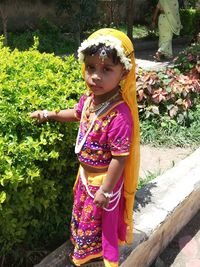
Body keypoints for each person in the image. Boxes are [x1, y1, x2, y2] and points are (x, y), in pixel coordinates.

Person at [30, 28, 140, 267]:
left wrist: (106, 191)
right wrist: (49, 114)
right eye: (90, 68)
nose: (95, 77)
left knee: (98, 226)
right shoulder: (90, 99)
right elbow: (77, 114)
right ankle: (86, 253)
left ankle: (95, 259)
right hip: (85, 179)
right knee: (83, 222)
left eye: (106, 69)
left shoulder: (119, 115)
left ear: (123, 73)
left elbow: (119, 158)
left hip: (101, 184)